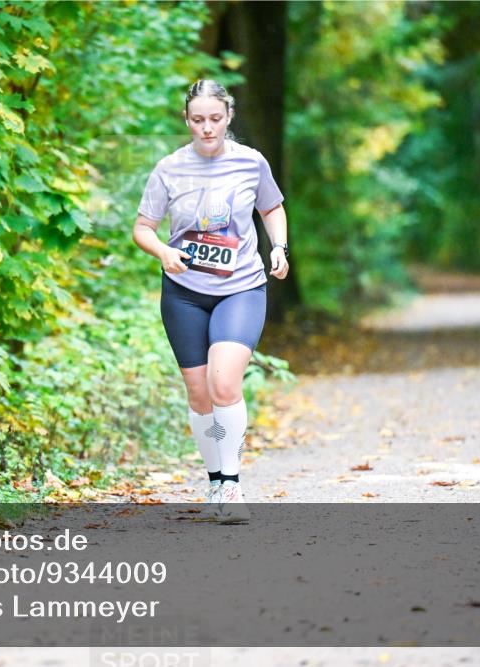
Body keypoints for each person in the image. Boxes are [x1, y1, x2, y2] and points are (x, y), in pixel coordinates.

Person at [133, 79, 289, 524]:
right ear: (187, 120)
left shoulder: (250, 162)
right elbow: (143, 228)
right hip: (184, 292)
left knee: (223, 382)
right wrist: (163, 252)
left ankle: (233, 485)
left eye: (215, 119)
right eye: (198, 119)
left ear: (228, 117)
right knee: (200, 392)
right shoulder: (169, 169)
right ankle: (216, 479)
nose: (207, 128)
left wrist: (279, 247)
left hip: (240, 286)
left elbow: (271, 208)